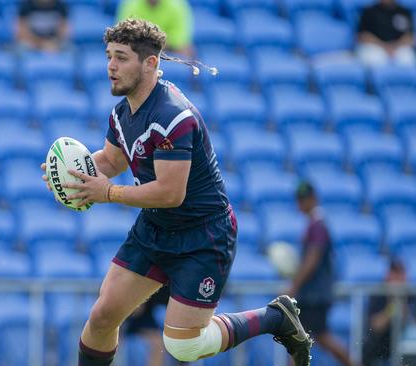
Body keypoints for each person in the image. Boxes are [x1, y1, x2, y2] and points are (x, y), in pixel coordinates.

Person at [40, 18, 312, 366]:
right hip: (156, 228)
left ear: (150, 63)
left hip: (203, 235)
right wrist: (72, 176)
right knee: (102, 317)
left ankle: (276, 317)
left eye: (121, 57)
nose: (110, 66)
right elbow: (110, 159)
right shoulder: (123, 112)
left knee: (183, 347)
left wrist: (105, 192)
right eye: (109, 56)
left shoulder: (172, 116)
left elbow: (171, 193)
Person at [288, 181, 356, 366]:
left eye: (304, 199)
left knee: (306, 339)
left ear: (314, 199)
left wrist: (294, 286)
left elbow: (312, 259)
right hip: (315, 294)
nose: (301, 204)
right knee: (308, 338)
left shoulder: (317, 225)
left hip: (313, 296)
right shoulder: (315, 224)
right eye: (299, 200)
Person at [363, 257, 414, 366]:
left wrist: (402, 303)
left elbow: (412, 324)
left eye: (400, 274)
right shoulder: (378, 294)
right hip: (382, 340)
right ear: (387, 276)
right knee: (369, 343)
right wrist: (393, 307)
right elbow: (376, 326)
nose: (398, 279)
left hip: (405, 339)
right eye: (394, 274)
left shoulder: (412, 294)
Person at [117, 0, 194, 56]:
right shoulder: (130, 4)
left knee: (186, 49)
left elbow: (179, 40)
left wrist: (151, 43)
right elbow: (125, 34)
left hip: (169, 50)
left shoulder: (178, 5)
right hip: (138, 49)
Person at [357, 0, 415, 66]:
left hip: (398, 47)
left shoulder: (404, 12)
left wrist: (394, 47)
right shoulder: (369, 11)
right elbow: (363, 36)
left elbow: (409, 36)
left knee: (407, 58)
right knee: (374, 59)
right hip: (376, 47)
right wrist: (384, 46)